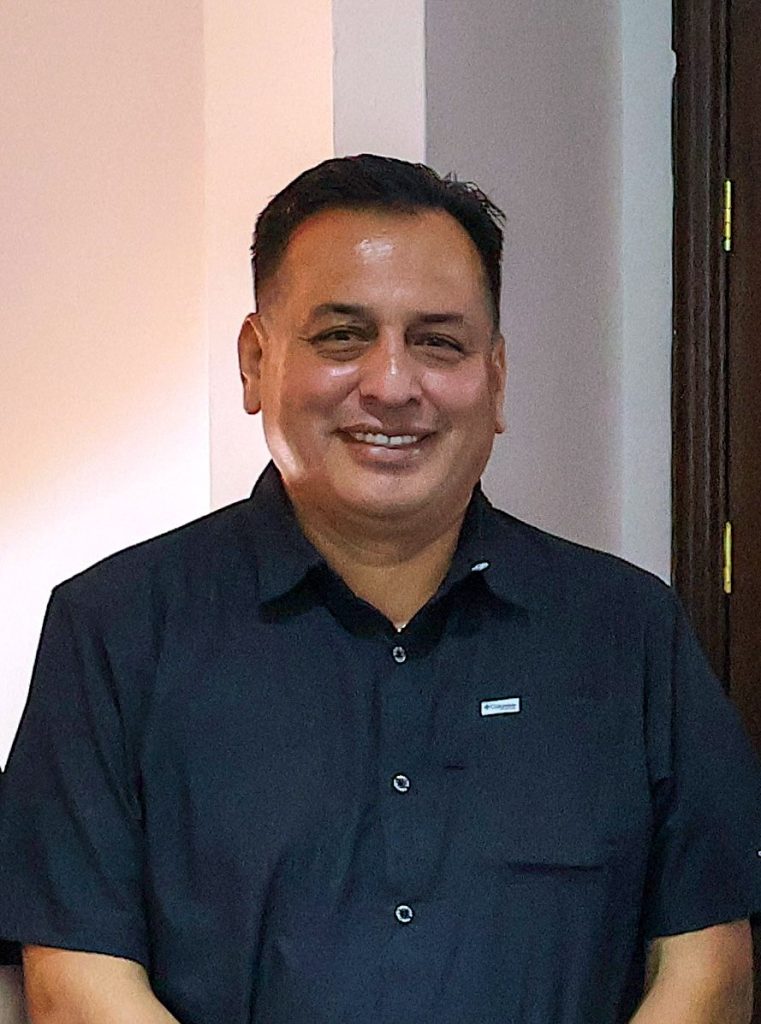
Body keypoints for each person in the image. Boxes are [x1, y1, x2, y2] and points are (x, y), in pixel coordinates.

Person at [0, 154, 759, 1024]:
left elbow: (706, 969)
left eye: (438, 342)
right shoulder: (114, 630)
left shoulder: (627, 632)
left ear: (496, 378)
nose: (392, 385)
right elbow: (77, 982)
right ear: (254, 361)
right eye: (341, 337)